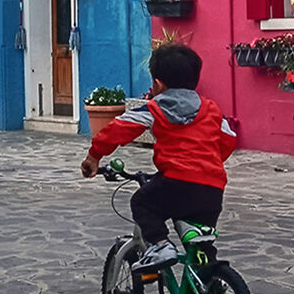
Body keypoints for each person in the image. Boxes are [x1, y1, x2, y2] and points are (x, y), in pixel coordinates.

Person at [80, 41, 238, 270]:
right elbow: (228, 140)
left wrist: (94, 157)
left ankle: (161, 245)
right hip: (212, 188)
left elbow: (117, 129)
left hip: (176, 181)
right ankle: (209, 288)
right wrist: (207, 161)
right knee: (201, 245)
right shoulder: (211, 109)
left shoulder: (154, 108)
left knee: (142, 203)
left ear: (157, 83)